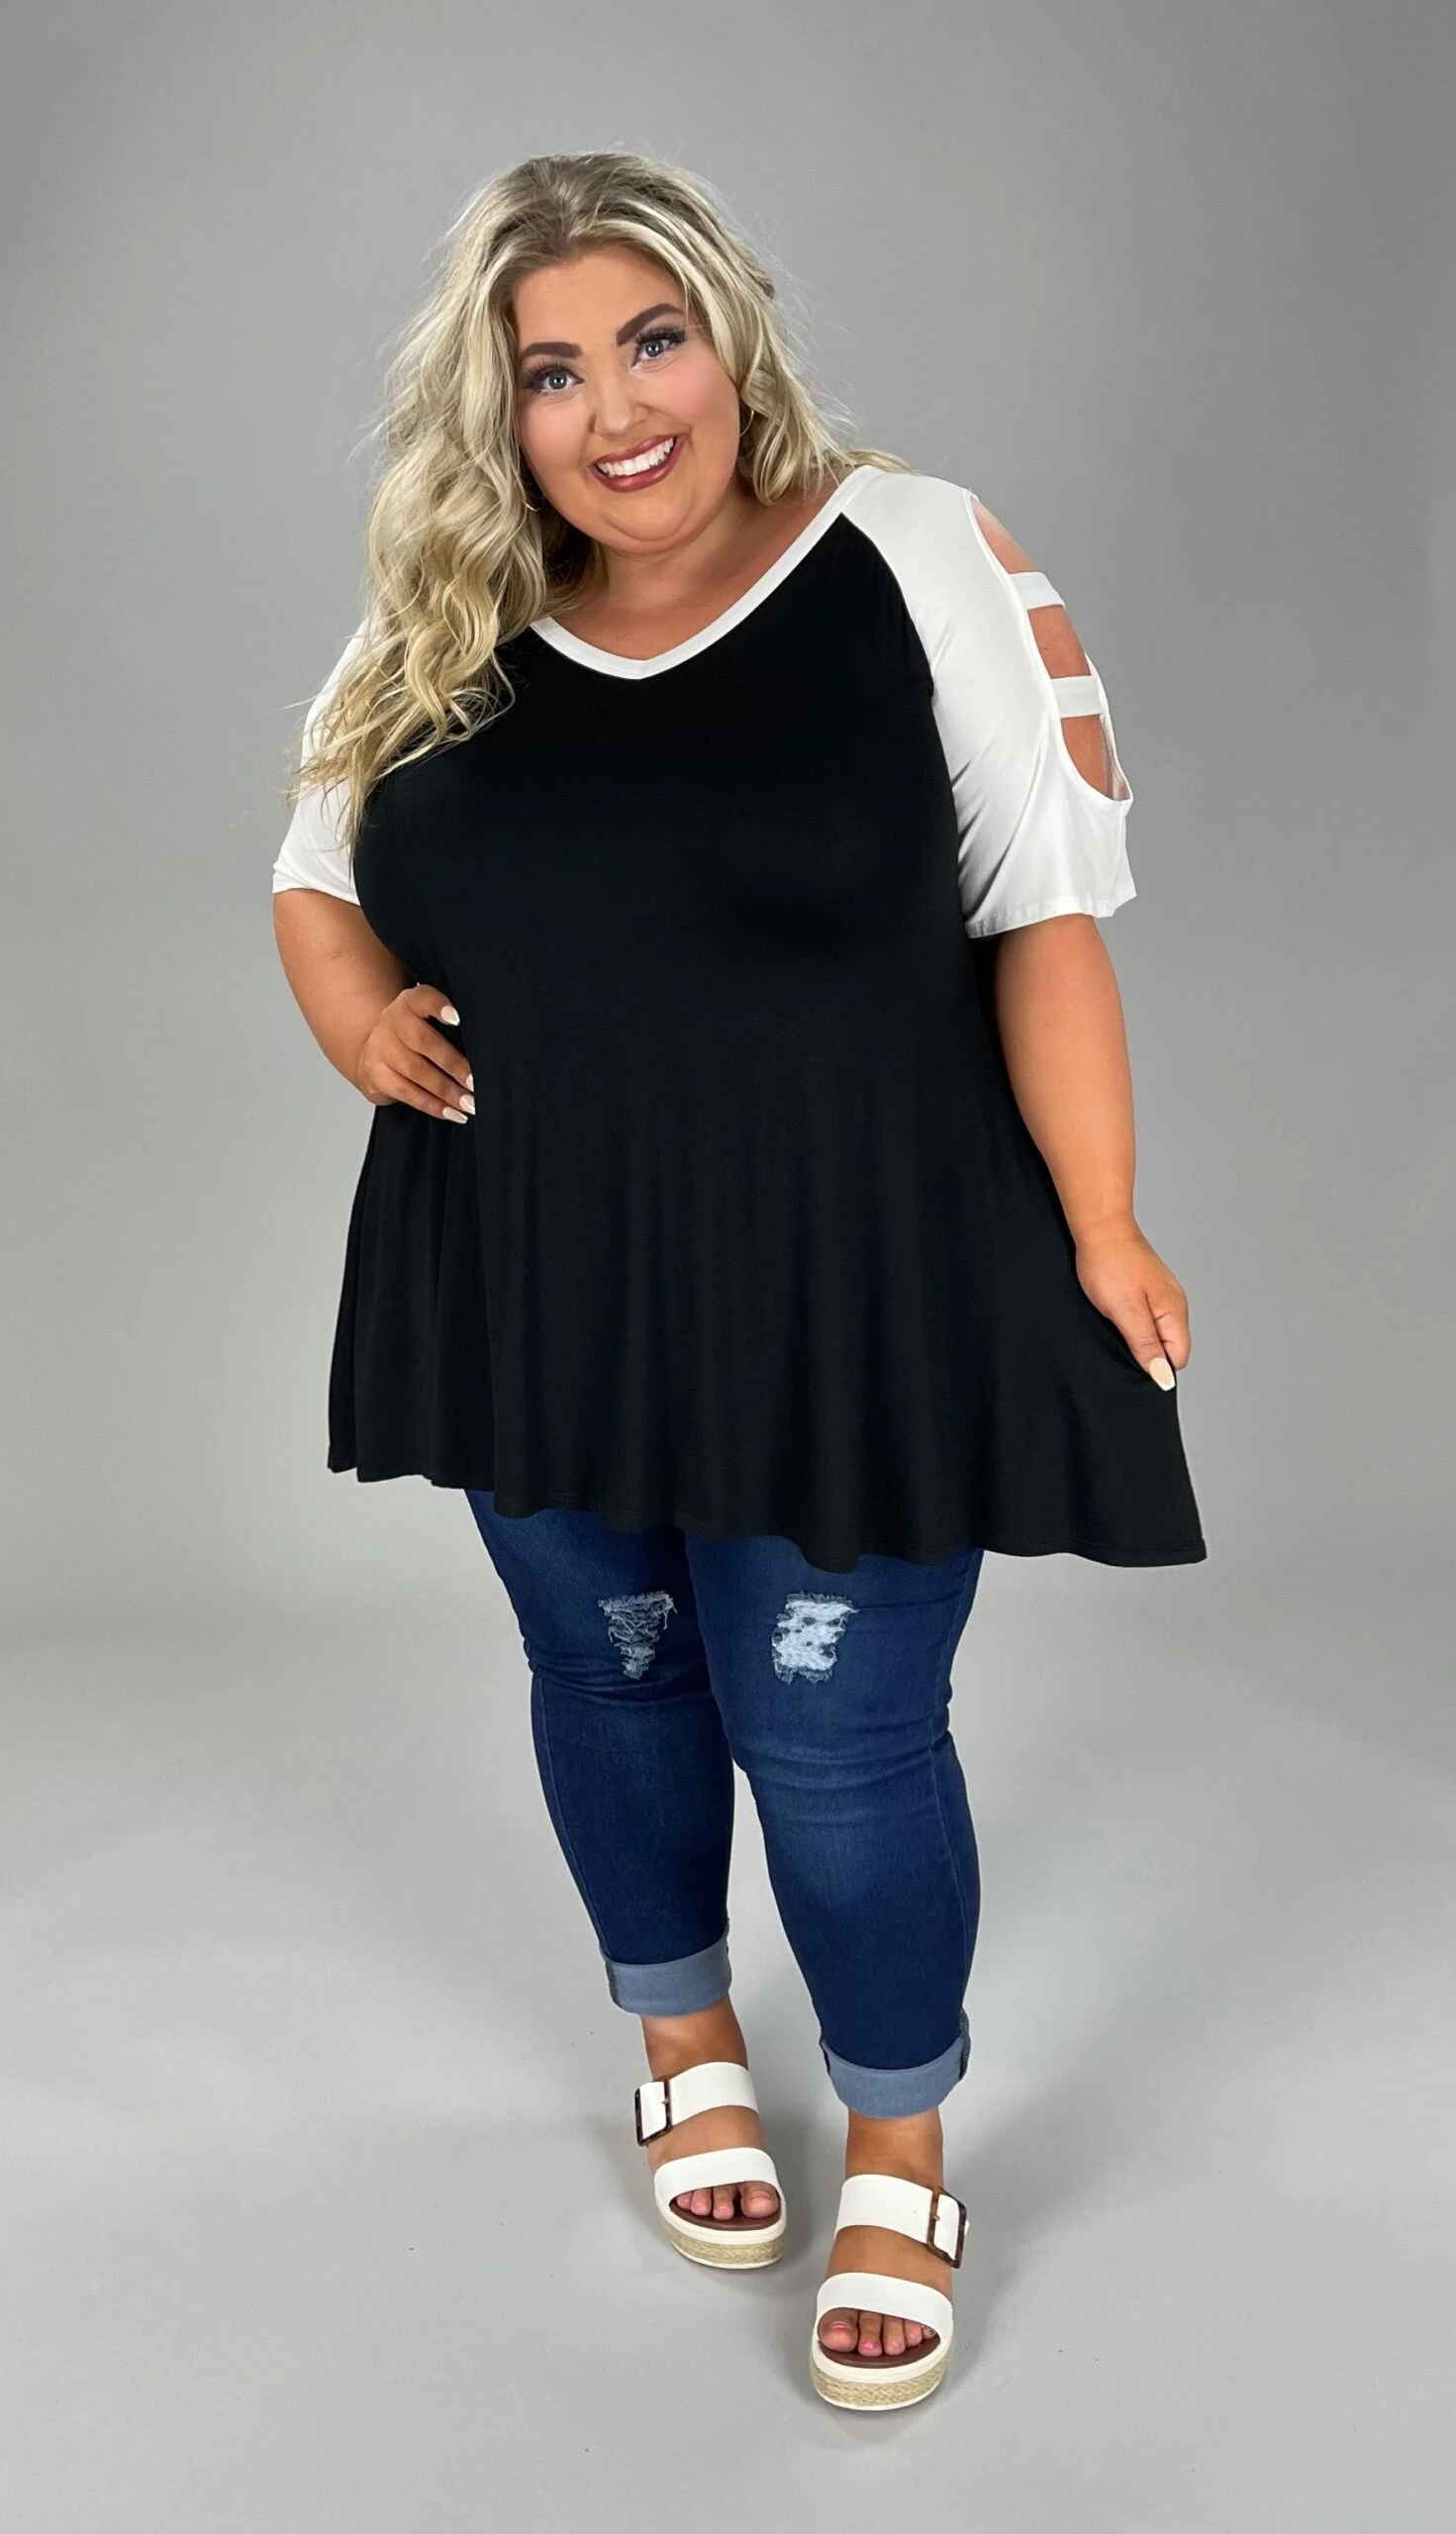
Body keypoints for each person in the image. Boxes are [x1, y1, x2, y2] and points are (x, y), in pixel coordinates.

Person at [271, 148, 1206, 2411]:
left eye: (650, 341)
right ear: (497, 417)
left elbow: (1041, 917)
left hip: (847, 1287)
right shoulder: (440, 615)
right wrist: (364, 1017)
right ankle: (682, 2032)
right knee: (609, 1673)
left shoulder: (915, 551)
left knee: (842, 1734)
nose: (614, 411)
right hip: (535, 1275)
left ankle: (900, 2132)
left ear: (732, 339)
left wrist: (1100, 1217)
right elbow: (311, 875)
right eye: (551, 373)